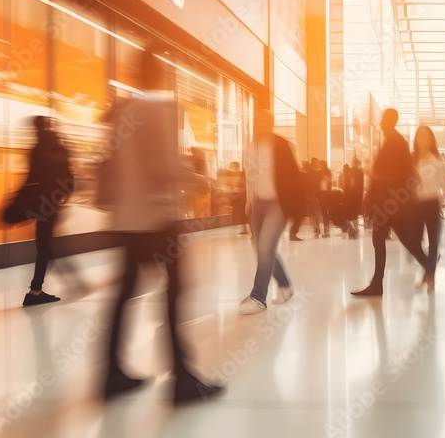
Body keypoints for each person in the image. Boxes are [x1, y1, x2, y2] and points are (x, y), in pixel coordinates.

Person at [100, 55, 223, 403]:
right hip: (156, 220)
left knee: (124, 294)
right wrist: (199, 180)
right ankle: (182, 380)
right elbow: (163, 167)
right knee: (175, 291)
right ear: (163, 75)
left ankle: (110, 373)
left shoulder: (122, 111)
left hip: (126, 221)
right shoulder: (161, 108)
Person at [352, 108, 431, 297]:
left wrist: (374, 174)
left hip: (389, 202)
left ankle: (377, 284)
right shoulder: (392, 141)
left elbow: (398, 174)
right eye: (382, 118)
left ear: (392, 121)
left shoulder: (396, 142)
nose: (381, 122)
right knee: (405, 240)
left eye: (385, 119)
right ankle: (429, 265)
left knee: (380, 240)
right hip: (390, 202)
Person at [239, 110, 304, 314]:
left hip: (278, 204)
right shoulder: (251, 146)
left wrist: (293, 208)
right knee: (261, 248)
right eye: (258, 120)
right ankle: (285, 286)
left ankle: (259, 297)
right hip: (258, 204)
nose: (261, 124)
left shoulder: (281, 145)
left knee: (265, 248)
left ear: (272, 123)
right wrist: (249, 201)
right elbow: (250, 177)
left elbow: (294, 177)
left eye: (266, 121)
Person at [21, 115, 74, 306]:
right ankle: (36, 290)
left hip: (39, 203)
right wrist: (64, 195)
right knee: (46, 246)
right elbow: (68, 174)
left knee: (44, 246)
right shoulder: (57, 147)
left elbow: (31, 177)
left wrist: (22, 201)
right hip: (52, 202)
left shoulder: (36, 149)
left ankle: (36, 290)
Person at [413, 127, 445, 290]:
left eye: (426, 136)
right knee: (414, 241)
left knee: (433, 241)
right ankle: (429, 267)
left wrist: (441, 198)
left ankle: (430, 276)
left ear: (431, 140)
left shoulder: (438, 162)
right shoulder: (411, 160)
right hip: (415, 205)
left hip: (432, 203)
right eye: (419, 136)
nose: (422, 140)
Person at [229, 161, 249, 234]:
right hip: (238, 197)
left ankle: (244, 228)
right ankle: (243, 228)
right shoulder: (236, 175)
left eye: (232, 166)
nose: (231, 168)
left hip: (241, 197)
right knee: (239, 213)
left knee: (242, 213)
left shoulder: (240, 175)